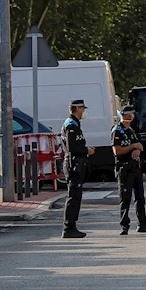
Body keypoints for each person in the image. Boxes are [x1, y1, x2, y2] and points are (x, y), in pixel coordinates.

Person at [112, 105, 146, 236]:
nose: (133, 116)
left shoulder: (131, 130)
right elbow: (117, 151)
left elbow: (139, 145)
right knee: (125, 197)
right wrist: (133, 147)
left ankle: (142, 224)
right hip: (124, 167)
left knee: (140, 197)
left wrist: (136, 148)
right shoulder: (117, 131)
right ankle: (124, 225)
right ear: (126, 115)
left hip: (135, 167)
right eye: (131, 114)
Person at [61, 99, 94, 239]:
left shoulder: (75, 124)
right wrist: (87, 151)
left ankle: (72, 226)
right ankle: (68, 227)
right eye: (82, 109)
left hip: (76, 163)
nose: (83, 112)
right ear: (77, 109)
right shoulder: (71, 125)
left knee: (76, 196)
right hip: (73, 164)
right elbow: (72, 147)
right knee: (73, 196)